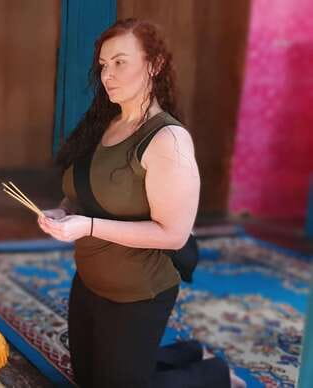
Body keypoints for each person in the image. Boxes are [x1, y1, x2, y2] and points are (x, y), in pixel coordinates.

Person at [38, 18, 246, 388]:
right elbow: (82, 191)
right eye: (103, 64)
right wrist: (64, 211)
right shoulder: (104, 123)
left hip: (138, 292)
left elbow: (174, 235)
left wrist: (86, 226)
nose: (107, 74)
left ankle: (213, 375)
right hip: (88, 281)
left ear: (154, 64)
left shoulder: (168, 140)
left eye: (120, 62)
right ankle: (187, 353)